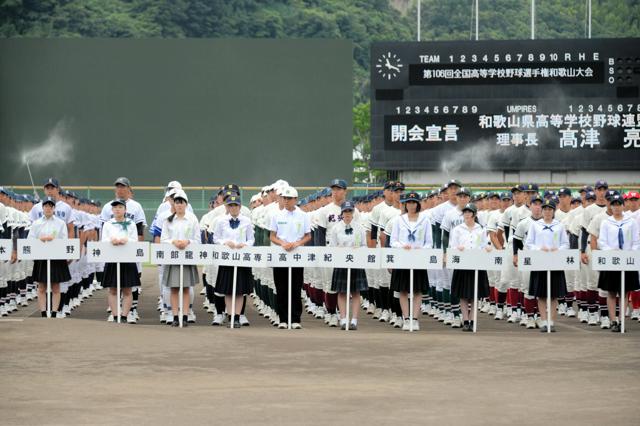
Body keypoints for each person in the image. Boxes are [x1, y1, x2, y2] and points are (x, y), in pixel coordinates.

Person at [389, 191, 433, 331]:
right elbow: (393, 241)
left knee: (417, 290)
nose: (411, 205)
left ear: (418, 204)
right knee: (403, 289)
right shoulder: (399, 220)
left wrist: (422, 249)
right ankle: (406, 318)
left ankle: (415, 319)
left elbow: (429, 243)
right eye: (409, 202)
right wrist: (402, 246)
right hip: (403, 258)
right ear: (405, 204)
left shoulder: (425, 220)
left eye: (414, 202)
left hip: (418, 258)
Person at [270, 186, 311, 329]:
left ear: (295, 199)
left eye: (289, 198)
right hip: (281, 254)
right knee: (281, 287)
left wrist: (297, 243)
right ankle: (282, 318)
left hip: (297, 255)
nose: (286, 201)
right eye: (284, 198)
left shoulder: (304, 215)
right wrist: (282, 243)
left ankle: (295, 319)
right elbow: (272, 236)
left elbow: (308, 236)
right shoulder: (277, 215)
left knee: (295, 287)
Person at [525, 199, 569, 332]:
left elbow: (566, 244)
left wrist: (558, 250)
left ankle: (551, 321)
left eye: (550, 209)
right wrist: (539, 249)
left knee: (554, 294)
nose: (547, 212)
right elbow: (529, 243)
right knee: (542, 294)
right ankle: (544, 321)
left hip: (555, 262)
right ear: (542, 210)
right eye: (545, 209)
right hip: (540, 262)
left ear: (553, 211)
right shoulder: (535, 225)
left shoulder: (559, 225)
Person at [596, 194, 640, 332]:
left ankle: (622, 320)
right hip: (611, 260)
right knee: (611, 292)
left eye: (618, 204)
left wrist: (630, 253)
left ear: (623, 205)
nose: (616, 207)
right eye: (613, 204)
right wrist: (611, 251)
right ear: (611, 206)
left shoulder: (631, 222)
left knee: (624, 292)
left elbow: (636, 240)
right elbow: (602, 241)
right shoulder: (606, 222)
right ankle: (613, 320)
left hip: (627, 260)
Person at [213, 193, 255, 329]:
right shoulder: (221, 221)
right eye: (230, 205)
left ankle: (237, 316)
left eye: (235, 205)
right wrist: (225, 242)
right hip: (227, 258)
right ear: (227, 207)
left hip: (242, 259)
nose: (233, 208)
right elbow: (215, 238)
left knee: (239, 290)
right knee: (228, 290)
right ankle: (230, 315)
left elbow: (251, 239)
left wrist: (246, 245)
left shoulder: (247, 221)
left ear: (240, 206)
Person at [160, 190, 200, 327]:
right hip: (174, 258)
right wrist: (174, 242)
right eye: (176, 202)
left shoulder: (192, 219)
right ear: (174, 205)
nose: (179, 205)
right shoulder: (168, 220)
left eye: (181, 202)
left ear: (186, 204)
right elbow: (164, 239)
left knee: (186, 288)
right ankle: (175, 316)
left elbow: (197, 239)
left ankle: (185, 315)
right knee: (174, 288)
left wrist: (188, 242)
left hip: (187, 258)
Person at [449, 203, 491, 332]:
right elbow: (452, 247)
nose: (467, 214)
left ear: (474, 214)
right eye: (465, 212)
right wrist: (458, 248)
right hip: (463, 264)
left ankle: (473, 320)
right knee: (463, 295)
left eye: (469, 212)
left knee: (474, 295)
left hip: (477, 264)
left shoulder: (481, 229)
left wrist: (487, 248)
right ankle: (465, 319)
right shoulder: (458, 229)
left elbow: (485, 244)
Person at [27, 197, 72, 318]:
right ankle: (43, 312)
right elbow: (29, 240)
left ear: (54, 208)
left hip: (56, 258)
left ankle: (54, 312)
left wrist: (54, 240)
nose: (48, 208)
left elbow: (65, 240)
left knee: (55, 286)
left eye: (50, 206)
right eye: (46, 206)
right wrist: (39, 239)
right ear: (42, 208)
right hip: (41, 258)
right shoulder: (36, 223)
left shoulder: (60, 223)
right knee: (41, 286)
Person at [328, 200, 368, 330]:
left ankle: (354, 320)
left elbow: (364, 245)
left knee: (356, 292)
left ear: (353, 212)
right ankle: (343, 319)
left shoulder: (359, 227)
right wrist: (338, 249)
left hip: (355, 262)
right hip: (341, 263)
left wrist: (358, 250)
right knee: (342, 292)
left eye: (350, 211)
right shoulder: (336, 228)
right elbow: (332, 246)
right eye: (345, 211)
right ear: (341, 213)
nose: (347, 213)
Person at [100, 199, 141, 323]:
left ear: (125, 210)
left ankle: (124, 315)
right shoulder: (108, 224)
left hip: (127, 260)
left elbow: (135, 240)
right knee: (112, 289)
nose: (117, 209)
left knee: (127, 289)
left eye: (120, 207)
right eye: (115, 207)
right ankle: (115, 314)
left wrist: (125, 240)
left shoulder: (131, 223)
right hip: (112, 260)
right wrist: (111, 240)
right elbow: (103, 240)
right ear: (112, 210)